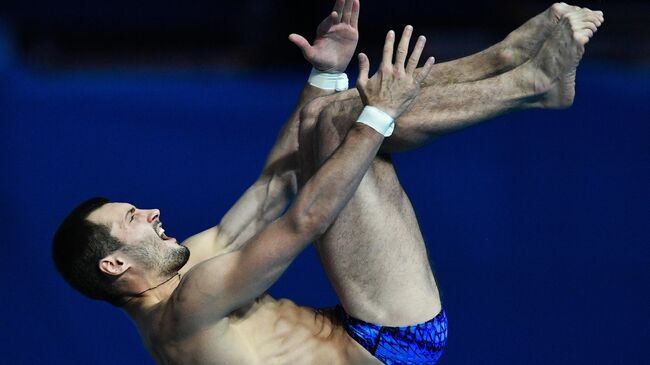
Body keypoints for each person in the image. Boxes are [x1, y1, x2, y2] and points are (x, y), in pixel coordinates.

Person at [52, 1, 604, 364]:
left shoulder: (186, 272)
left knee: (333, 114)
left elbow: (273, 188)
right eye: (131, 220)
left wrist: (324, 75)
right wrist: (380, 114)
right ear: (115, 264)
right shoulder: (185, 312)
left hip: (359, 324)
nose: (149, 212)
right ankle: (528, 80)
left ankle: (511, 63)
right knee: (352, 121)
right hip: (396, 344)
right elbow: (303, 219)